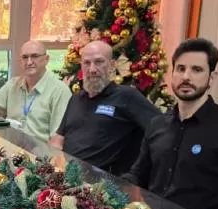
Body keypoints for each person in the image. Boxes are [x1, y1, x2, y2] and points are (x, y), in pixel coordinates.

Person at [125, 38, 218, 209]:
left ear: (211, 77)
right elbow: (137, 175)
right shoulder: (157, 124)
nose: (186, 77)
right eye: (180, 69)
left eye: (197, 70)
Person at [50, 40, 160, 174]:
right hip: (67, 175)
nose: (92, 69)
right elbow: (58, 138)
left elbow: (162, 129)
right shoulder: (75, 99)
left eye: (99, 62)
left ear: (112, 65)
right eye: (87, 63)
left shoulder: (127, 96)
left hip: (103, 182)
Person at [0, 40, 71, 143]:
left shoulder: (59, 91)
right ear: (20, 61)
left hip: (40, 152)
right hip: (10, 148)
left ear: (46, 59)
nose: (29, 62)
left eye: (34, 56)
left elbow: (57, 141)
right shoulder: (13, 85)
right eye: (25, 57)